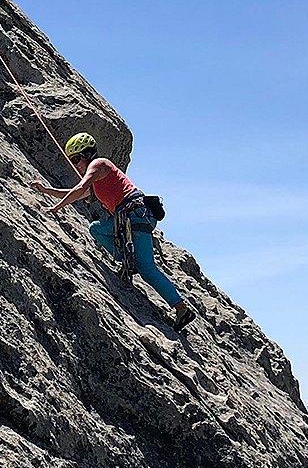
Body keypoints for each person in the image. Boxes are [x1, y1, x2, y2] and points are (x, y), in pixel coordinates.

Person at [30, 132, 197, 332]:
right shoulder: (97, 180)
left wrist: (56, 208)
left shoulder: (99, 164)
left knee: (147, 269)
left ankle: (180, 306)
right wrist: (45, 190)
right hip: (131, 217)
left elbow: (80, 187)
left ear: (87, 154)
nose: (75, 165)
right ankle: (132, 264)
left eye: (76, 159)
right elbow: (75, 194)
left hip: (135, 215)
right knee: (98, 230)